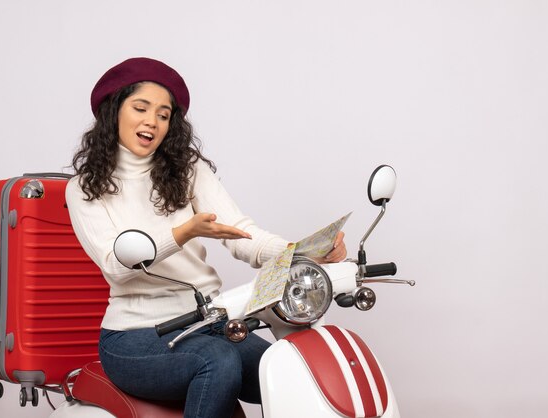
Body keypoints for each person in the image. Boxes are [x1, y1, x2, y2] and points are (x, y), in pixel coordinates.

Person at [66, 57, 347, 418]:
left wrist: (306, 253)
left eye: (164, 115)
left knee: (290, 370)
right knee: (218, 361)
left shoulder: (187, 171)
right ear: (114, 111)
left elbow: (243, 235)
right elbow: (116, 266)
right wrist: (184, 232)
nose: (152, 121)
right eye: (141, 108)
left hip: (208, 322)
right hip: (134, 337)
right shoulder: (84, 189)